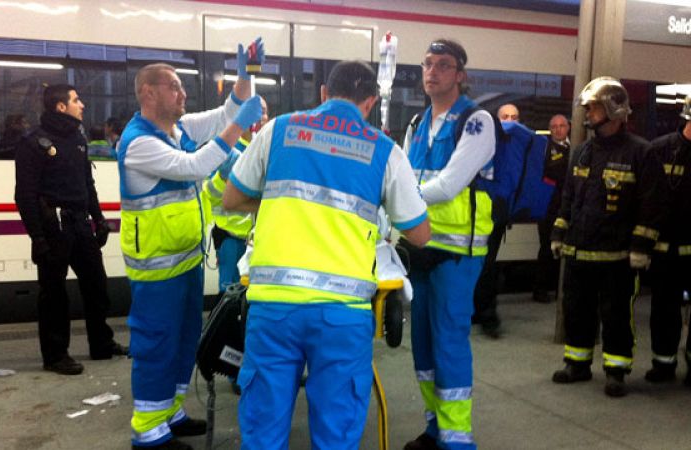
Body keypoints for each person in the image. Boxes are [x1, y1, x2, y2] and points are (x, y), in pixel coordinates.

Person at [223, 59, 431, 450]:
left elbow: (232, 197)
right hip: (341, 314)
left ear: (323, 93)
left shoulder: (278, 130)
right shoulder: (385, 151)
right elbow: (419, 234)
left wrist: (276, 199)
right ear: (369, 103)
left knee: (262, 431)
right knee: (336, 435)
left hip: (273, 308)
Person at [117, 38, 265, 450]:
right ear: (148, 93)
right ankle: (148, 431)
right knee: (155, 344)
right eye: (174, 87)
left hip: (184, 260)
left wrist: (245, 76)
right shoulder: (139, 143)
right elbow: (196, 165)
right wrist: (238, 128)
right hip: (156, 268)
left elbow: (225, 114)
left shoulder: (175, 128)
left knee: (183, 339)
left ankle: (170, 413)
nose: (182, 94)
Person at [402, 39, 495, 450]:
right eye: (427, 64)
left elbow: (448, 185)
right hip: (419, 246)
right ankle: (435, 428)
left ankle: (458, 440)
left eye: (443, 65)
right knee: (422, 344)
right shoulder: (416, 123)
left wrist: (402, 196)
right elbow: (401, 175)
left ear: (460, 75)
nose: (432, 71)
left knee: (449, 342)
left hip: (457, 253)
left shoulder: (476, 121)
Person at [550, 76, 666, 397]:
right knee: (576, 309)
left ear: (614, 109)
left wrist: (641, 246)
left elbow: (651, 205)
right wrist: (560, 233)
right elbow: (569, 199)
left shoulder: (641, 153)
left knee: (616, 314)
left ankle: (616, 370)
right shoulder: (582, 152)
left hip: (618, 257)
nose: (589, 113)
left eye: (595, 108)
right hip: (578, 251)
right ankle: (577, 363)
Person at [14, 84, 127, 377]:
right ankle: (55, 355)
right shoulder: (33, 143)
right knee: (53, 294)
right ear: (60, 107)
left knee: (97, 285)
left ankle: (101, 343)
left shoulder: (78, 139)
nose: (83, 105)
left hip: (79, 222)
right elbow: (24, 195)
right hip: (53, 226)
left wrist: (99, 218)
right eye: (77, 100)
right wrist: (37, 237)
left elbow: (86, 184)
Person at [644, 94, 691, 385]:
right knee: (663, 309)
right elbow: (645, 200)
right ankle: (663, 363)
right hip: (665, 249)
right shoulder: (659, 150)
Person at [203, 96, 268, 301]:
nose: (261, 116)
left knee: (255, 297)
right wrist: (224, 177)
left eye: (264, 111)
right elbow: (210, 195)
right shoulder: (227, 151)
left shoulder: (267, 148)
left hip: (261, 241)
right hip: (232, 239)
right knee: (230, 297)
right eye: (256, 111)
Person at [471, 103, 522, 338]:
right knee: (482, 264)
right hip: (484, 209)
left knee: (486, 265)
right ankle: (481, 312)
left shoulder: (507, 145)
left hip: (490, 210)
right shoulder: (503, 144)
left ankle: (486, 314)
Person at [532, 114, 571, 303]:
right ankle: (540, 290)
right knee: (547, 248)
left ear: (568, 127)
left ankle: (561, 289)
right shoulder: (543, 148)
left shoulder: (577, 147)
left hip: (570, 207)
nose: (558, 129)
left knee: (566, 250)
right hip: (548, 206)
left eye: (561, 125)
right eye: (554, 126)